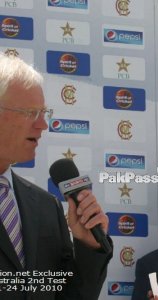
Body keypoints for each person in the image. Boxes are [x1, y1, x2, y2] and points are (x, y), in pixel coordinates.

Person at [0, 53, 113, 299]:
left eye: (43, 113)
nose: (43, 125)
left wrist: (88, 245)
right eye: (30, 113)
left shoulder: (45, 206)